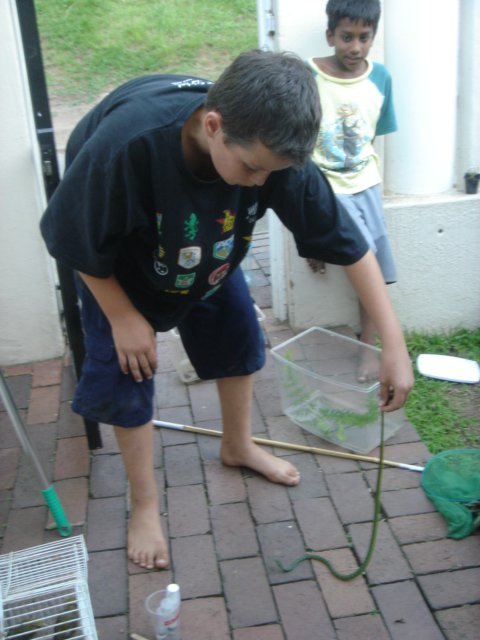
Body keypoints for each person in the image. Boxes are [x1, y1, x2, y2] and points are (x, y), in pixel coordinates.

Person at [40, 49, 413, 571]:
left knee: (238, 337)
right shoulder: (126, 146)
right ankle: (144, 503)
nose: (262, 183)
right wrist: (125, 317)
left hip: (207, 251)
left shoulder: (273, 149)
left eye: (273, 173)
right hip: (119, 257)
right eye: (254, 168)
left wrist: (393, 345)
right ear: (213, 126)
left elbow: (349, 244)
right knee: (130, 371)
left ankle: (238, 445)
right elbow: (73, 238)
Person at [306, 0, 397, 380]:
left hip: (367, 184)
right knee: (367, 262)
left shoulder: (381, 79)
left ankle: (370, 339)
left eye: (364, 37)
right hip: (328, 187)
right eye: (346, 37)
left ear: (373, 37)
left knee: (375, 263)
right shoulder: (310, 76)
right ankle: (373, 348)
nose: (355, 47)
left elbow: (372, 134)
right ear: (331, 36)